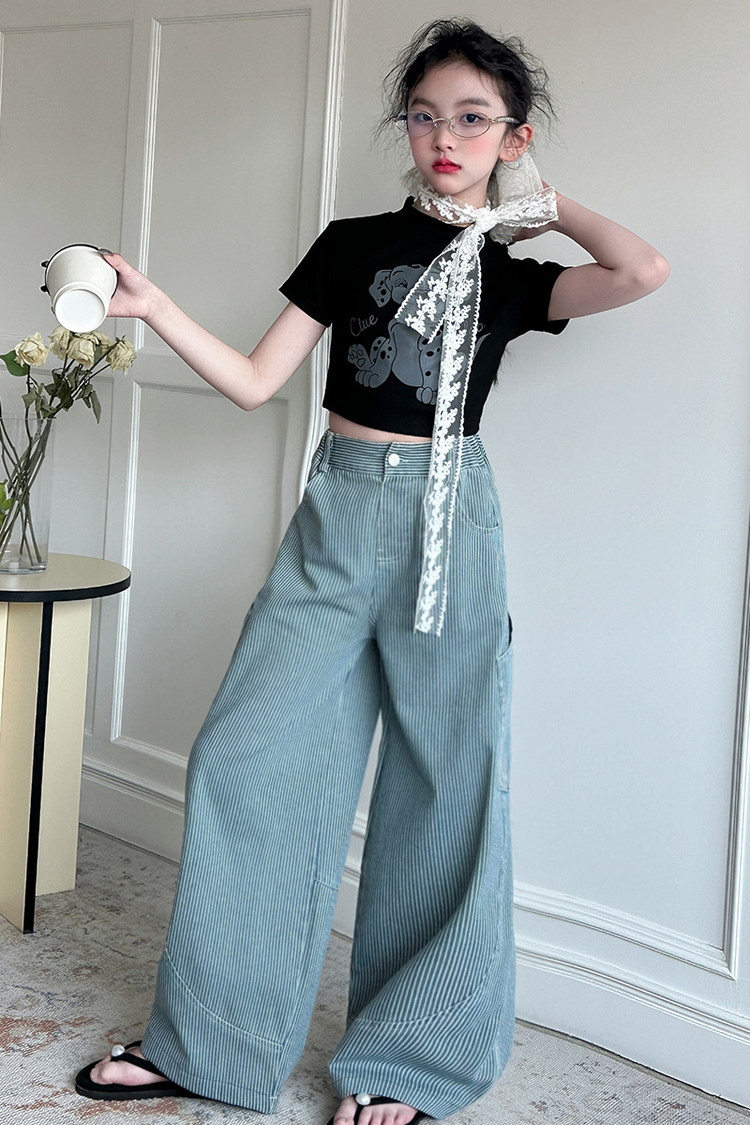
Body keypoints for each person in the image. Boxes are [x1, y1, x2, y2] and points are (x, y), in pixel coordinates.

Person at [74, 17, 669, 1125]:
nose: (446, 137)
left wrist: (544, 205)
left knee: (447, 786)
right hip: (340, 512)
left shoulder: (509, 272)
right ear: (405, 125)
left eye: (474, 119)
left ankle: (409, 1060)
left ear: (513, 136)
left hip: (454, 522)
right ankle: (212, 1044)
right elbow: (256, 382)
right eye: (427, 115)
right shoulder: (350, 245)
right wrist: (154, 310)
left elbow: (642, 270)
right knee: (246, 757)